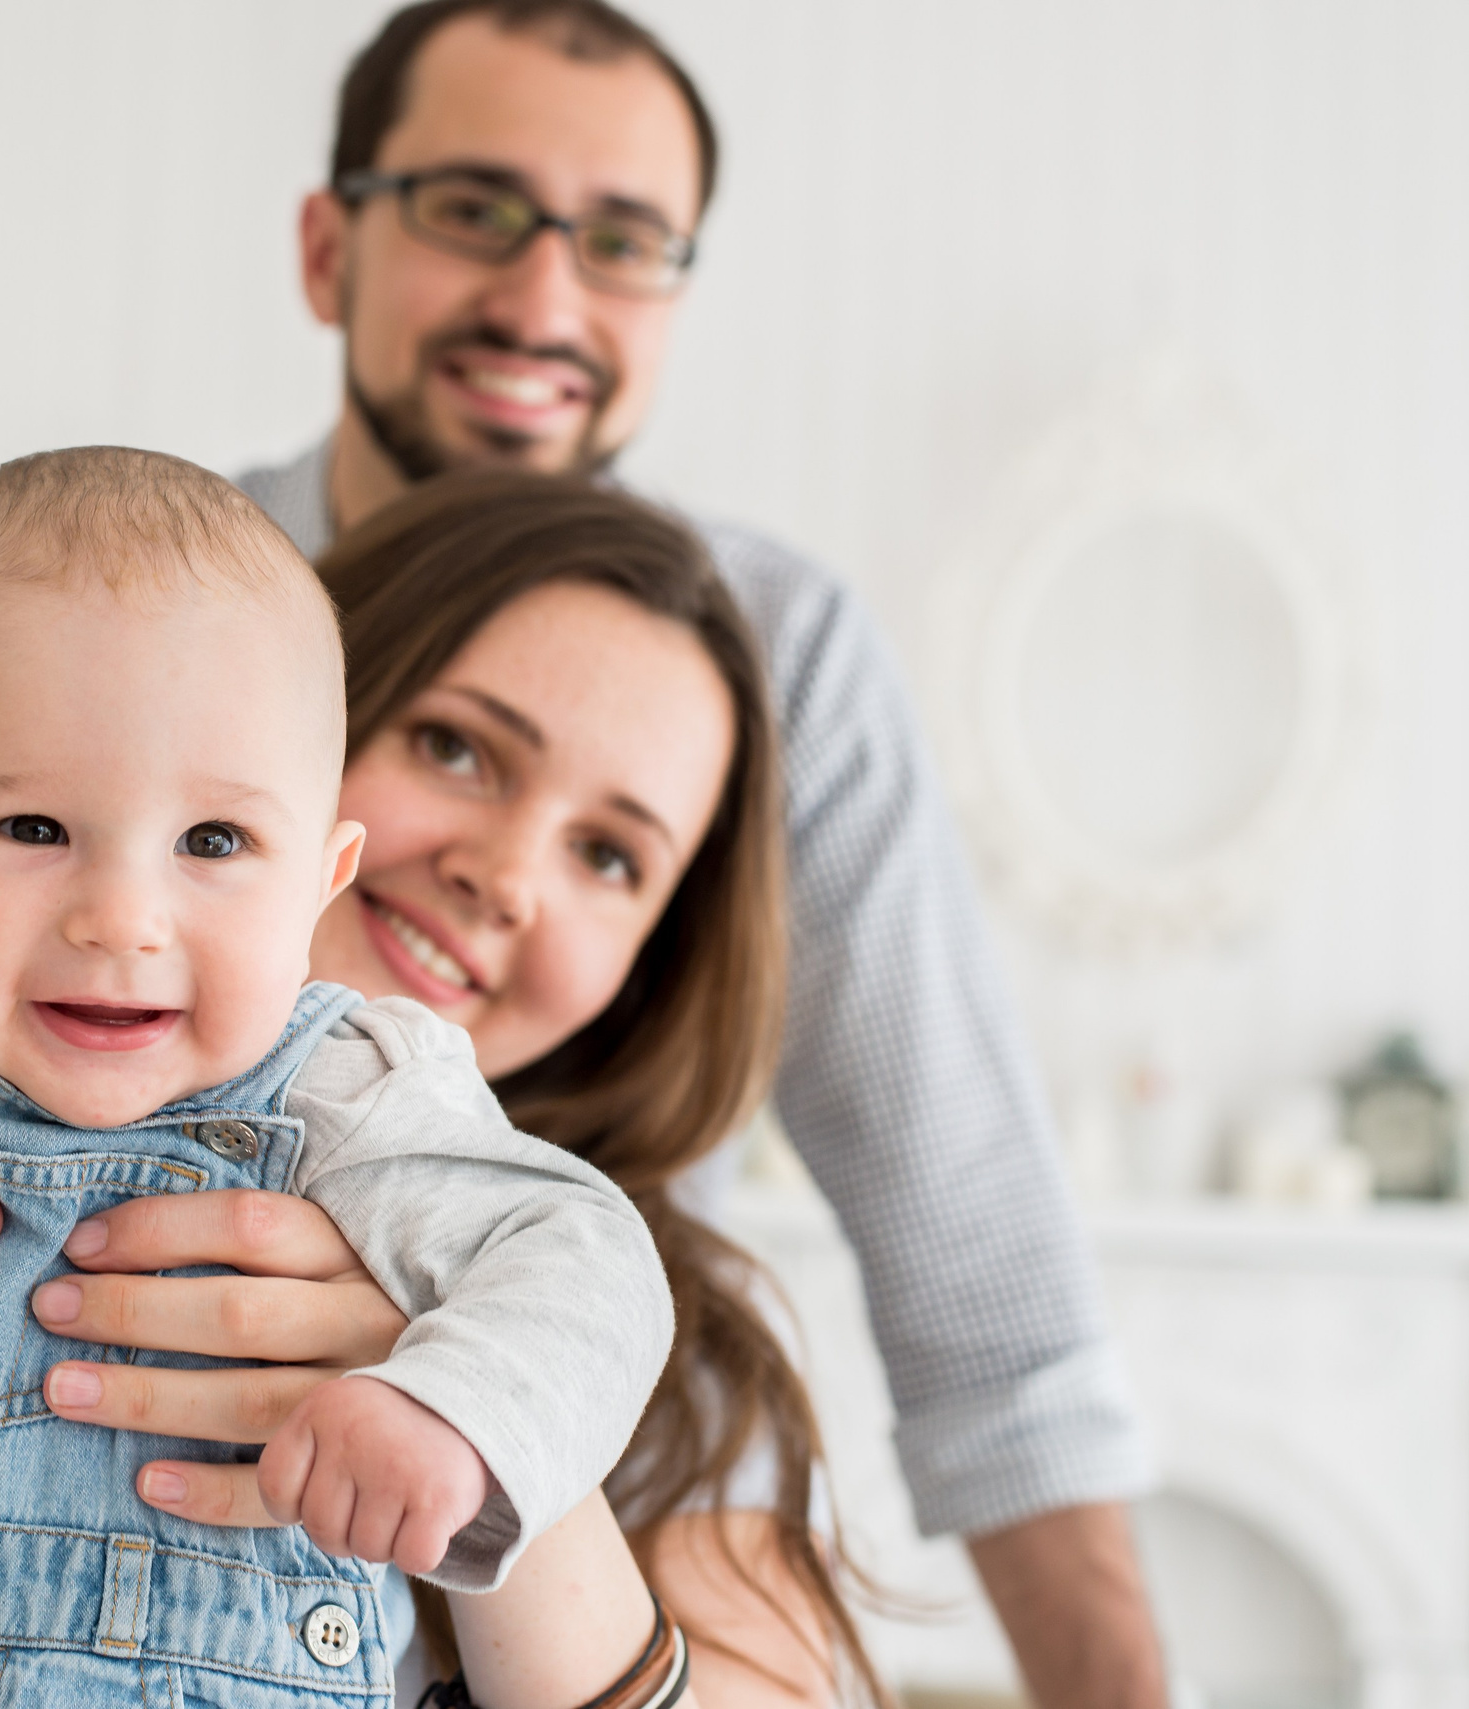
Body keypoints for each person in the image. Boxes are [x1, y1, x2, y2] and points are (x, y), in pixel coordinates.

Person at [0, 467, 878, 1708]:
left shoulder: (695, 1382)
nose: (509, 874)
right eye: (457, 748)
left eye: (609, 853)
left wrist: (463, 1398)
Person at [230, 3, 1165, 1705]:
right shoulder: (164, 592)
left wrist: (478, 1378)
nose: (543, 298)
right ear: (328, 244)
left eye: (626, 241)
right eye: (470, 208)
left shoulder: (782, 654)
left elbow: (982, 1281)